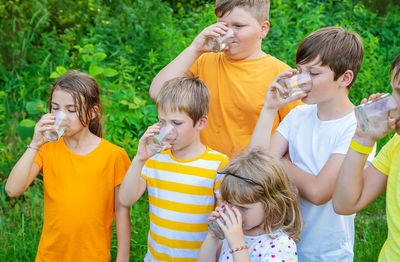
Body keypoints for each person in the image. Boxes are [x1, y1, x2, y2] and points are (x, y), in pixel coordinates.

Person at [248, 26, 375, 261]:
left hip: (326, 252)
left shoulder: (357, 128)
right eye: (299, 71)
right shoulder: (298, 116)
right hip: (279, 245)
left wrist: (279, 160)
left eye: (314, 74)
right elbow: (255, 170)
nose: (303, 80)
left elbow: (318, 192)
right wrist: (269, 108)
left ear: (345, 78)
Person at [5, 70, 131, 262]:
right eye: (55, 108)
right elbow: (12, 190)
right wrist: (35, 144)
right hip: (50, 256)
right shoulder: (47, 148)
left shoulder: (113, 155)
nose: (60, 115)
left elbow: (122, 211)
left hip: (93, 256)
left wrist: (123, 258)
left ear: (92, 113)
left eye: (71, 110)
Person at [149, 0, 302, 156]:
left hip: (245, 175)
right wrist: (195, 49)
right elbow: (158, 93)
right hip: (201, 170)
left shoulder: (282, 75)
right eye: (222, 24)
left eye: (238, 26)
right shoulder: (204, 61)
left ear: (263, 29)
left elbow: (297, 135)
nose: (228, 33)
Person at [119, 75, 229, 261]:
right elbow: (126, 199)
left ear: (201, 122)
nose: (167, 131)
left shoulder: (218, 165)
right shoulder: (154, 159)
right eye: (162, 122)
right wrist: (139, 159)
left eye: (176, 123)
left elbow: (223, 226)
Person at [332, 52, 400, 261]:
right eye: (394, 91)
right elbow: (345, 203)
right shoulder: (396, 145)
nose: (393, 104)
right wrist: (363, 139)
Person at [197, 148, 301, 262]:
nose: (234, 213)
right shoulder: (232, 231)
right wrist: (213, 236)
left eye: (243, 208)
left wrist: (238, 245)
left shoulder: (281, 245)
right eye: (229, 204)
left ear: (271, 205)